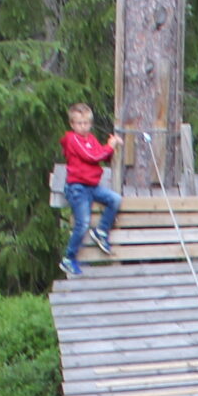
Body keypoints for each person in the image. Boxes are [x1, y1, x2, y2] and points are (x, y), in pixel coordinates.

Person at [59, 103, 120, 278]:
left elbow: (102, 154)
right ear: (72, 124)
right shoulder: (72, 139)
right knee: (82, 223)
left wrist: (111, 148)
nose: (83, 127)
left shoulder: (90, 139)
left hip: (92, 186)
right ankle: (69, 258)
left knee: (114, 199)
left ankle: (101, 231)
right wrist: (109, 146)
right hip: (77, 187)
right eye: (79, 123)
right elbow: (92, 157)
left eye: (86, 123)